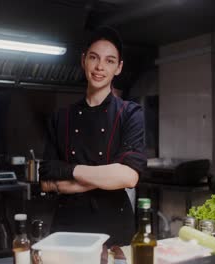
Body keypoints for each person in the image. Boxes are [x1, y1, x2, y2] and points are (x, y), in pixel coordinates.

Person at [38, 26, 147, 246]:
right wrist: (107, 176)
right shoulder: (61, 117)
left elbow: (128, 177)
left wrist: (69, 173)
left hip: (115, 227)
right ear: (83, 60)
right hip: (68, 225)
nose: (99, 67)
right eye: (94, 58)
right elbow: (46, 177)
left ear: (119, 68)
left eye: (109, 61)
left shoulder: (130, 113)